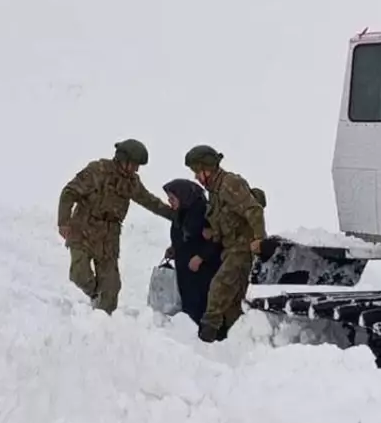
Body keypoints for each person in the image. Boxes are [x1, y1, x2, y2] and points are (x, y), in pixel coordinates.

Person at [57, 139, 172, 314]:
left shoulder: (132, 182)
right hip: (83, 229)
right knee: (79, 274)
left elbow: (149, 201)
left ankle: (105, 326)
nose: (136, 169)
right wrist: (63, 222)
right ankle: (95, 295)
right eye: (134, 164)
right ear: (122, 159)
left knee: (111, 289)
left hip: (109, 236)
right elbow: (69, 193)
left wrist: (175, 215)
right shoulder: (97, 171)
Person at [184, 145, 266, 342]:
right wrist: (213, 232)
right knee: (233, 301)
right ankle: (235, 341)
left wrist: (260, 240)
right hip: (229, 248)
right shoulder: (215, 191)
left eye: (197, 172)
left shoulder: (230, 184)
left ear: (207, 168)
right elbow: (226, 218)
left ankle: (206, 334)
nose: (196, 177)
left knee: (219, 287)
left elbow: (253, 210)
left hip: (242, 248)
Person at [161, 178, 222, 325]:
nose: (170, 202)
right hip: (186, 268)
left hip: (202, 271)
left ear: (183, 196)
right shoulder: (182, 212)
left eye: (172, 198)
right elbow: (183, 235)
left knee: (200, 305)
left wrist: (201, 257)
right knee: (188, 304)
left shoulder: (203, 212)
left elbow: (215, 240)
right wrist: (174, 248)